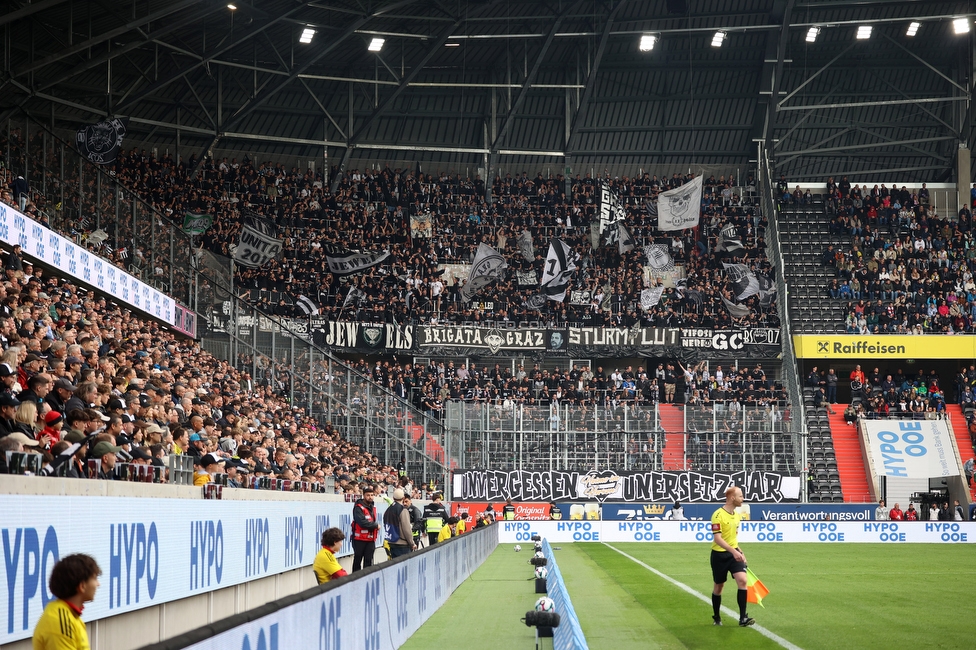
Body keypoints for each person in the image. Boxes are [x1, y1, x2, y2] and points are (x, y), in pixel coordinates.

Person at [32, 553, 101, 649]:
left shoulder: (70, 616)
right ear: (82, 586)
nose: (98, 584)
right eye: (94, 578)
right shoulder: (60, 621)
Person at [709, 486, 754, 627]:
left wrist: (740, 551)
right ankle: (716, 616)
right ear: (732, 498)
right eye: (740, 496)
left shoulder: (737, 516)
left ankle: (743, 618)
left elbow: (733, 539)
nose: (743, 498)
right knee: (719, 586)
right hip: (719, 555)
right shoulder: (717, 515)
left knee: (742, 580)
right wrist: (733, 551)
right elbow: (718, 539)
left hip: (733, 553)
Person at [350, 487, 379, 571]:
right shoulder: (358, 507)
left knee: (368, 561)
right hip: (359, 539)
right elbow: (362, 522)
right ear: (363, 496)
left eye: (372, 495)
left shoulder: (372, 507)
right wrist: (375, 526)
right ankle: (355, 579)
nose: (370, 497)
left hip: (370, 539)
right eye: (368, 495)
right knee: (357, 560)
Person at [382, 488, 415, 557]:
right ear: (403, 498)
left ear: (393, 498)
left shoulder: (388, 510)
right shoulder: (403, 510)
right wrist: (412, 543)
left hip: (391, 542)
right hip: (402, 544)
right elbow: (406, 529)